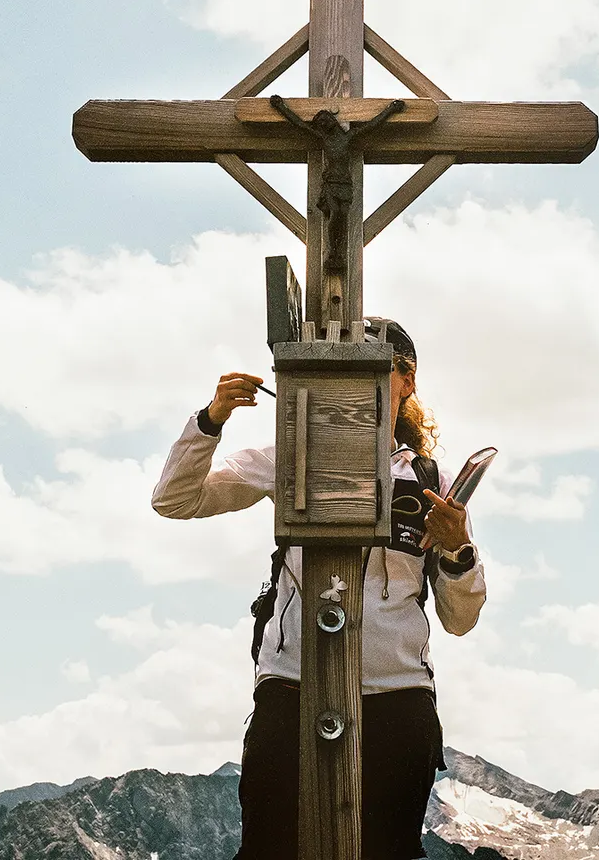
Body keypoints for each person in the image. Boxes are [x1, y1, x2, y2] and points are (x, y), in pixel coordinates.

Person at [151, 317, 487, 860]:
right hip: (291, 688)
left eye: (377, 367)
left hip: (398, 699)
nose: (361, 379)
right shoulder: (290, 454)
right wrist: (209, 422)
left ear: (408, 380)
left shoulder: (432, 479)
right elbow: (174, 500)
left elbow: (461, 619)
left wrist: (457, 548)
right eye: (346, 366)